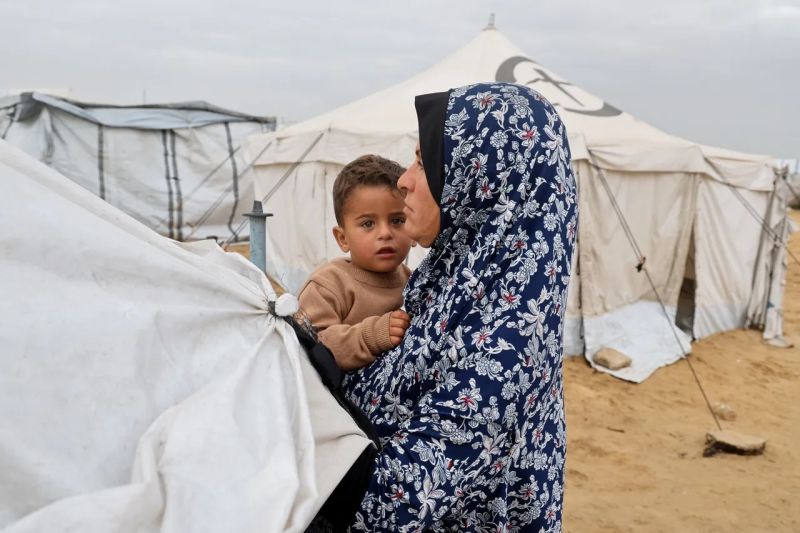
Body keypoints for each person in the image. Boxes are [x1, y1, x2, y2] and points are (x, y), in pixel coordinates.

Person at [341, 83, 578, 531]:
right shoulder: (455, 286)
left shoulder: (508, 342)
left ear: (480, 181)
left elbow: (397, 499)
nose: (404, 181)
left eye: (423, 161)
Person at [298, 155, 413, 371]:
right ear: (343, 238)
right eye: (368, 224)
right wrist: (372, 336)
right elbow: (312, 347)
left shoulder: (415, 282)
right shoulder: (329, 285)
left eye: (397, 221)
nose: (385, 233)